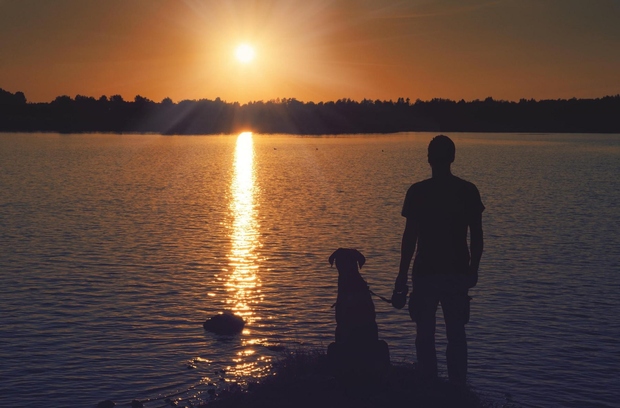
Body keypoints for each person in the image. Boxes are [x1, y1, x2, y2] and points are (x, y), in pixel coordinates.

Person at [394, 135, 484, 385]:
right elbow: (477, 237)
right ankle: (457, 386)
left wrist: (401, 276)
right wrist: (473, 270)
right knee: (456, 333)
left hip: (426, 273)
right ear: (452, 158)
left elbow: (409, 237)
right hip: (457, 273)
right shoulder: (467, 191)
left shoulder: (418, 192)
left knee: (425, 334)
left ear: (429, 159)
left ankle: (429, 384)